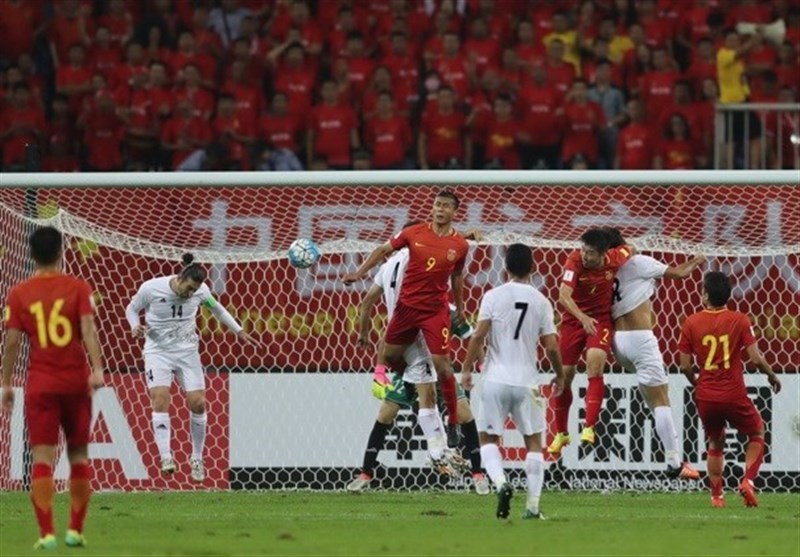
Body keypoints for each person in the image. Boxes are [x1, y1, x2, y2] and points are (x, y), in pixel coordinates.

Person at [347, 227, 489, 494]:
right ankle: (368, 472)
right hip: (412, 355)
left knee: (463, 412)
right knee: (386, 414)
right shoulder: (407, 272)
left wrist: (481, 365)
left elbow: (471, 336)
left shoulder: (395, 271)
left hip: (422, 358)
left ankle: (477, 473)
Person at [1, 226, 104, 549]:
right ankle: (75, 530)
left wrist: (5, 383)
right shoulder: (78, 287)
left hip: (41, 383)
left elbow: (12, 342)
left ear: (31, 254)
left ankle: (46, 533)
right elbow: (88, 330)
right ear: (61, 252)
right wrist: (98, 369)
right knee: (78, 455)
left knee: (43, 457)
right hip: (75, 381)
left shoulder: (19, 293)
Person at [343, 190, 470, 446]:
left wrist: (460, 307)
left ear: (455, 212)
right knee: (389, 356)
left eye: (446, 206)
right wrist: (359, 273)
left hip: (434, 312)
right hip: (406, 309)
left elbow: (457, 277)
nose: (440, 209)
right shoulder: (414, 233)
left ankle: (453, 422)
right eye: (437, 204)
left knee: (443, 364)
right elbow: (383, 249)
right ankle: (410, 381)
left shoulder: (460, 245)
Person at [125, 253, 257, 481]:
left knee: (199, 403)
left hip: (187, 353)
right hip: (158, 352)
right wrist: (135, 326)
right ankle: (166, 456)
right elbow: (131, 309)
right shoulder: (151, 288)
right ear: (180, 278)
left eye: (194, 290)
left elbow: (217, 309)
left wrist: (239, 331)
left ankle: (196, 458)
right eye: (188, 288)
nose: (190, 294)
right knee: (160, 399)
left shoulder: (201, 291)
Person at [461, 244, 564, 520]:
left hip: (495, 379)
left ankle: (500, 483)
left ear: (505, 268)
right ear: (533, 268)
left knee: (487, 439)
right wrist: (560, 374)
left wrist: (467, 369)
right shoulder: (541, 301)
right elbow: (552, 347)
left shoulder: (493, 296)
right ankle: (532, 507)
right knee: (534, 443)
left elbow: (478, 336)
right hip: (527, 382)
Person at [604, 228, 704, 479]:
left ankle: (673, 457)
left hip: (617, 343)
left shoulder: (603, 270)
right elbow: (680, 273)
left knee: (655, 399)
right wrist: (698, 259)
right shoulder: (638, 262)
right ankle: (674, 463)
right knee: (662, 401)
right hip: (640, 339)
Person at [678, 272, 781, 508]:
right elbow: (756, 358)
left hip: (706, 395)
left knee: (715, 441)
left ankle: (717, 497)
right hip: (733, 393)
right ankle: (748, 482)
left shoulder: (691, 322)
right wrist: (771, 375)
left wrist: (697, 383)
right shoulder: (740, 320)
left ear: (706, 295)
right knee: (756, 432)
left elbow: (684, 366)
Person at [548, 228, 632, 454]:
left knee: (595, 366)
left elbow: (630, 249)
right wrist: (582, 317)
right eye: (583, 250)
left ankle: (589, 427)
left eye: (590, 253)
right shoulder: (574, 261)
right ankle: (561, 433)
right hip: (573, 321)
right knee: (564, 376)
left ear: (604, 254)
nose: (585, 256)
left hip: (600, 321)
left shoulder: (615, 258)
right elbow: (563, 295)